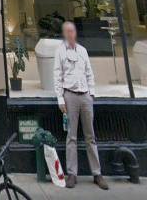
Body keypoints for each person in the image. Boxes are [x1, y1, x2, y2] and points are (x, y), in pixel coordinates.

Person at [54, 21, 108, 190]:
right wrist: (60, 99)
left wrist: (91, 94)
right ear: (64, 34)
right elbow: (57, 76)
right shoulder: (60, 52)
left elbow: (89, 73)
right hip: (70, 95)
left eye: (72, 31)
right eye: (67, 31)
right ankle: (72, 173)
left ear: (75, 33)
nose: (70, 34)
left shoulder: (83, 51)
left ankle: (97, 173)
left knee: (90, 136)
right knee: (71, 136)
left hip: (85, 96)